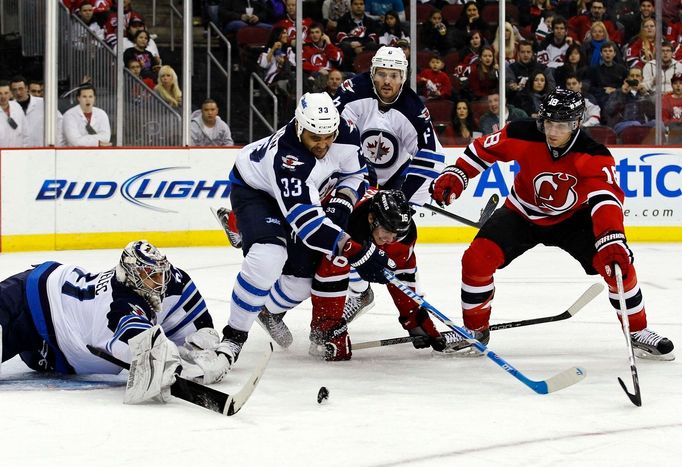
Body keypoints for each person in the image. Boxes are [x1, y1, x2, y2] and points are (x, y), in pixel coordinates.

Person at [429, 88, 674, 360]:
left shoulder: (593, 153)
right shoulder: (522, 133)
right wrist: (458, 172)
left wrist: (612, 238)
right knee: (476, 260)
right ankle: (474, 330)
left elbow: (606, 198)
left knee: (617, 265)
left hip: (573, 219)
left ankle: (638, 331)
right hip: (522, 213)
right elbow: (482, 149)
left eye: (561, 125)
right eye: (548, 123)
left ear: (576, 124)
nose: (552, 132)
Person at [217, 92, 376, 366]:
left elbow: (357, 174)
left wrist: (343, 201)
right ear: (300, 127)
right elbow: (310, 228)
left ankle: (266, 309)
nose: (324, 144)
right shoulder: (287, 159)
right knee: (268, 257)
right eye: (316, 137)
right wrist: (355, 251)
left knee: (305, 277)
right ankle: (233, 338)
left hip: (304, 194)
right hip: (258, 193)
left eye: (329, 136)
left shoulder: (344, 132)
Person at [0, 240, 232, 403]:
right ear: (130, 275)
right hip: (27, 297)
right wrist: (176, 367)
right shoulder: (120, 305)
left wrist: (209, 345)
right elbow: (145, 353)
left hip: (52, 352)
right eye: (150, 276)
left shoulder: (172, 279)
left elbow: (200, 325)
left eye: (161, 273)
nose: (159, 282)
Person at [327, 45, 446, 322]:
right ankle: (360, 292)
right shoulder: (353, 92)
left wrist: (401, 198)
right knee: (343, 234)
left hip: (396, 181)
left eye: (394, 75)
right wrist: (358, 177)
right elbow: (334, 135)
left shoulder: (413, 109)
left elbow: (430, 155)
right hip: (354, 173)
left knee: (399, 244)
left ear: (403, 77)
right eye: (382, 74)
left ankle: (414, 312)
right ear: (372, 73)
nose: (387, 81)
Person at [308, 189, 456, 360]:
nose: (391, 239)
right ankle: (275, 311)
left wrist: (413, 316)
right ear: (372, 219)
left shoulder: (401, 234)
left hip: (363, 239)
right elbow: (329, 278)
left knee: (371, 261)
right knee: (302, 282)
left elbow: (402, 276)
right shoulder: (348, 224)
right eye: (387, 232)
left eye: (396, 234)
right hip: (310, 233)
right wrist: (329, 329)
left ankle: (361, 295)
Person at [0, 80, 27, 148]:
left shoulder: (17, 106)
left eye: (6, 93)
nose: (3, 96)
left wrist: (24, 150)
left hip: (17, 153)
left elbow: (25, 131)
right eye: (0, 93)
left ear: (10, 94)